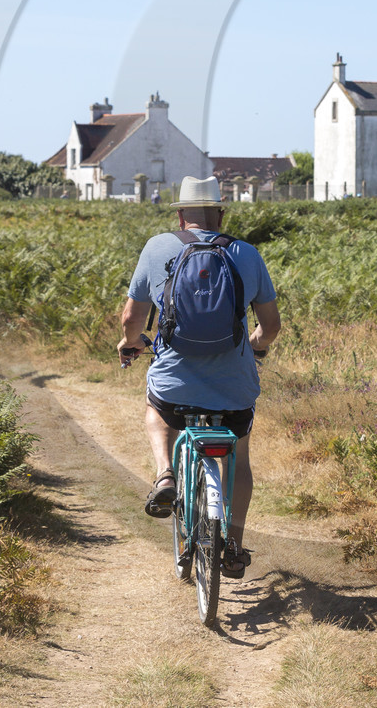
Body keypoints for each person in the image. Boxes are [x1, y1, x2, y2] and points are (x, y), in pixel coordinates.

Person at [117, 175, 281, 579]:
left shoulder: (158, 247)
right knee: (239, 456)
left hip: (175, 382)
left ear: (180, 215)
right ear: (221, 213)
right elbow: (270, 326)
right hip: (234, 386)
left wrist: (131, 342)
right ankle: (235, 546)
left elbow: (131, 318)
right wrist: (256, 347)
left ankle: (165, 473)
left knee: (156, 409)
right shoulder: (246, 252)